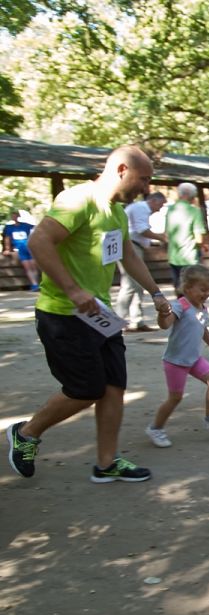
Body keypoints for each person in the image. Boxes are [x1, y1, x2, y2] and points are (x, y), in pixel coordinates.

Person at [6, 145, 171, 483]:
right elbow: (39, 241)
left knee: (114, 387)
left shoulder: (117, 212)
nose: (146, 187)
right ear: (122, 170)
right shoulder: (79, 200)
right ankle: (26, 433)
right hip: (63, 314)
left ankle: (107, 463)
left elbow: (128, 256)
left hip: (100, 316)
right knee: (85, 388)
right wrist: (72, 289)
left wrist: (156, 293)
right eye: (143, 179)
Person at [145, 265, 209, 447]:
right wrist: (162, 314)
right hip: (176, 362)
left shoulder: (202, 307)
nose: (207, 293)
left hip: (193, 359)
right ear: (187, 288)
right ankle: (155, 428)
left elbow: (202, 326)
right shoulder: (181, 305)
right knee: (175, 397)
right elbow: (165, 324)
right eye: (203, 289)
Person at [117, 192, 167, 331]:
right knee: (129, 285)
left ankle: (137, 320)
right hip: (131, 246)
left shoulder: (141, 209)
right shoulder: (141, 208)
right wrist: (162, 238)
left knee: (138, 285)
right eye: (161, 204)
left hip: (136, 246)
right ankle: (118, 320)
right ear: (154, 201)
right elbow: (141, 230)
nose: (160, 208)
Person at [165, 182, 209, 294]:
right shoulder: (194, 211)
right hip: (189, 257)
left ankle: (179, 305)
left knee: (179, 288)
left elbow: (166, 234)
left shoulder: (170, 210)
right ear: (193, 196)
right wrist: (203, 246)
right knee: (191, 289)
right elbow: (199, 238)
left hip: (173, 256)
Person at [3, 210, 41, 291]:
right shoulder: (9, 227)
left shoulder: (26, 225)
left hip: (29, 247)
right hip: (20, 249)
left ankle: (38, 283)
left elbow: (36, 228)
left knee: (34, 266)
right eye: (12, 216)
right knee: (27, 267)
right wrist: (7, 249)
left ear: (18, 216)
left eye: (15, 215)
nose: (14, 217)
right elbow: (7, 239)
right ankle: (34, 284)